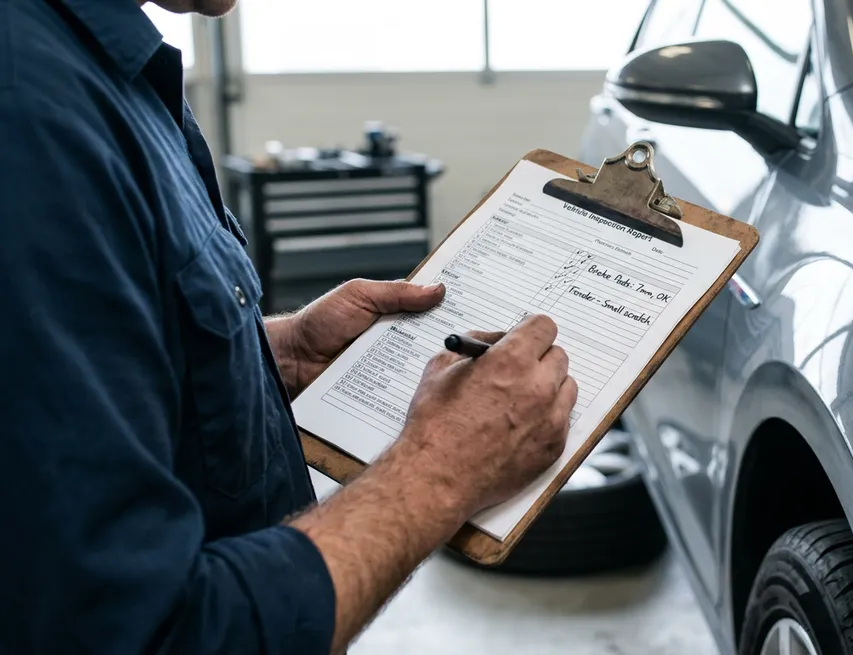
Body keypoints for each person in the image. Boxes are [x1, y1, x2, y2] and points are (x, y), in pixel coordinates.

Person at [0, 0, 578, 652]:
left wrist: (270, 358)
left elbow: (84, 375)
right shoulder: (29, 115)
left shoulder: (101, 70)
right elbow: (137, 634)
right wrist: (436, 473)